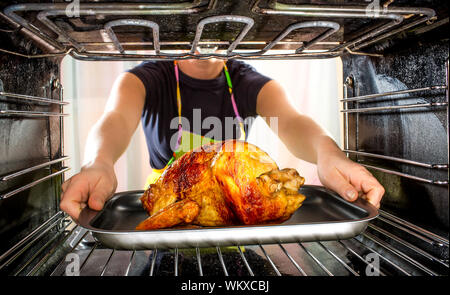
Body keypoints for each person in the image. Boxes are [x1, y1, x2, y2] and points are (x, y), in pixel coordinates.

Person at [60, 57, 385, 220]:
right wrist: (99, 162)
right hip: (172, 216)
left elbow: (294, 121)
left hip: (236, 216)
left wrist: (329, 155)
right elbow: (114, 120)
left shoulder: (248, 82)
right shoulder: (146, 79)